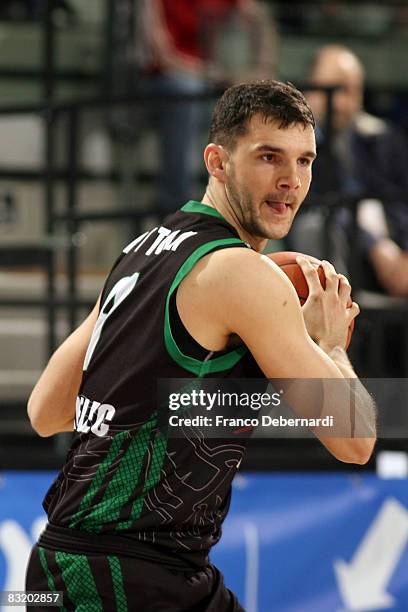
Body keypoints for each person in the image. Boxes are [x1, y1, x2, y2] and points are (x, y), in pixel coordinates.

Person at [26, 80, 376, 611]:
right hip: (128, 577)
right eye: (268, 157)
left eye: (305, 161)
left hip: (61, 567)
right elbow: (356, 439)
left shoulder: (139, 251)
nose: (291, 180)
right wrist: (328, 346)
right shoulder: (242, 273)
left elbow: (46, 410)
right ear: (217, 161)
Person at [135, 0, 277, 215]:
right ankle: (179, 207)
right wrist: (209, 73)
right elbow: (162, 55)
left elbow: (260, 19)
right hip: (166, 81)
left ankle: (248, 200)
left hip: (207, 81)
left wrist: (262, 67)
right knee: (188, 92)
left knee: (255, 94)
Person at [289, 44, 408, 296]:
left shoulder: (381, 139)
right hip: (333, 245)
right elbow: (309, 204)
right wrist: (375, 244)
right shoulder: (293, 144)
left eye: (353, 91)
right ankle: (333, 324)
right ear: (311, 89)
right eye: (336, 89)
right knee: (315, 227)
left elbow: (400, 200)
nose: (343, 102)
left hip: (392, 257)